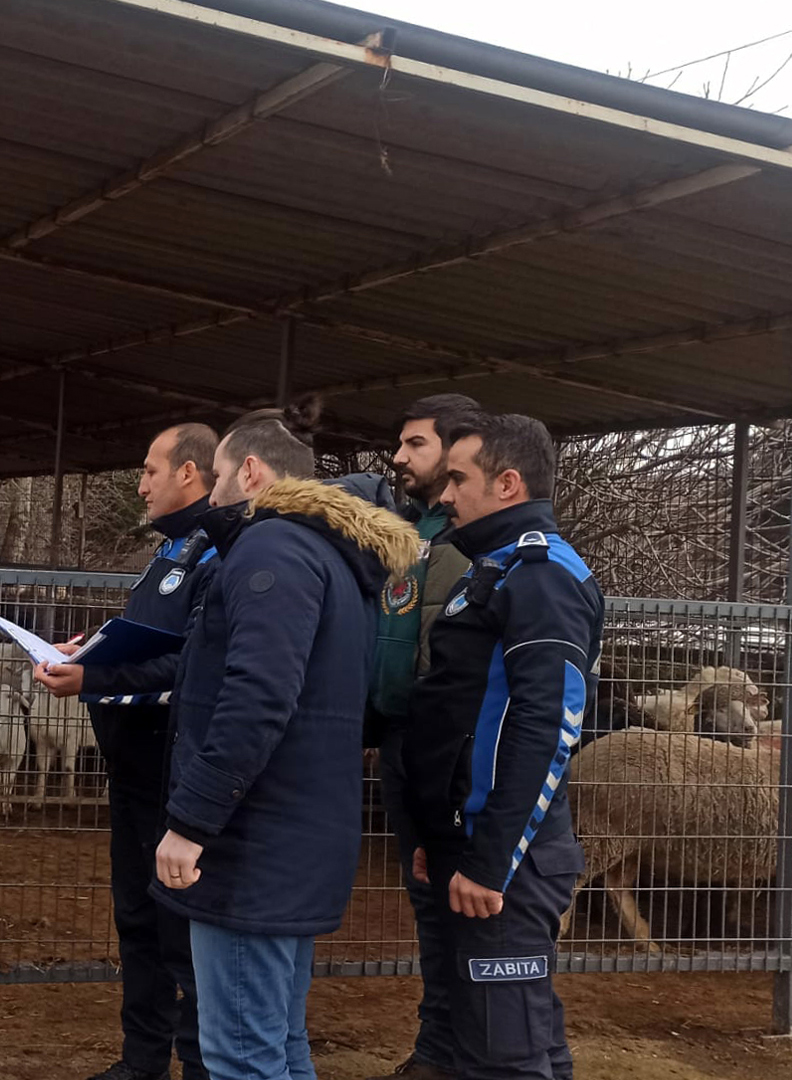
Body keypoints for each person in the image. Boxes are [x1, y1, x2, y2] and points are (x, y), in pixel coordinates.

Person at [153, 402, 417, 1080]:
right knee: (279, 1044)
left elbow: (259, 696)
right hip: (298, 836)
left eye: (215, 477)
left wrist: (191, 819)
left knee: (243, 1055)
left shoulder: (272, 548)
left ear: (250, 470)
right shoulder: (333, 558)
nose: (210, 494)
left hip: (252, 849)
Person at [402, 413, 600, 1080]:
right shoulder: (497, 568)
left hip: (508, 863)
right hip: (474, 845)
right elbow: (464, 713)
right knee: (506, 1040)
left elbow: (547, 727)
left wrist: (491, 861)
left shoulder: (541, 576)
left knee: (504, 1059)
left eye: (459, 478)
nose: (446, 493)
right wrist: (441, 831)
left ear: (508, 482)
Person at [34, 423, 221, 1080]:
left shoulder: (216, 554)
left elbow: (191, 666)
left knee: (180, 934)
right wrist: (88, 652)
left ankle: (197, 1064)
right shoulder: (170, 551)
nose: (140, 484)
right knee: (137, 919)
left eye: (149, 470)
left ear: (189, 473)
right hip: (134, 772)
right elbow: (147, 640)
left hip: (174, 774)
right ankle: (141, 1062)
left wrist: (97, 677)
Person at [343, 393, 482, 1080]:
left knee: (462, 903)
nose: (398, 458)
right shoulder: (414, 533)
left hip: (447, 752)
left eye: (415, 444)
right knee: (428, 903)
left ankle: (467, 1048)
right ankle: (437, 1047)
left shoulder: (472, 543)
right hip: (400, 743)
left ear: (459, 450)